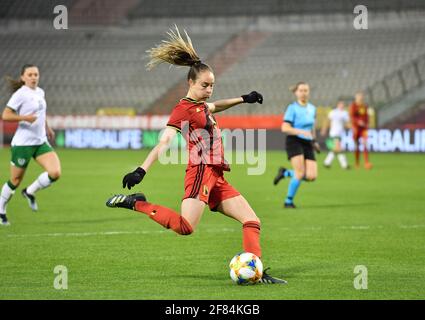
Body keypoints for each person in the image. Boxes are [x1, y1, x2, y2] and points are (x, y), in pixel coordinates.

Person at [106, 27, 286, 284]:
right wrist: (142, 169)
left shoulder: (201, 105)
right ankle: (136, 203)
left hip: (216, 175)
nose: (209, 90)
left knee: (252, 220)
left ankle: (256, 270)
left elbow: (215, 105)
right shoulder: (182, 110)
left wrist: (244, 98)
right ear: (190, 83)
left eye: (212, 85)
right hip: (201, 171)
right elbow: (165, 140)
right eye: (204, 85)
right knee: (185, 227)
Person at [0, 64, 61, 226]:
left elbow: (41, 113)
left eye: (36, 74)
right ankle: (1, 211)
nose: (34, 77)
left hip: (40, 141)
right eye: (30, 74)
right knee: (15, 180)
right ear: (23, 77)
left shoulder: (40, 92)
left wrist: (47, 127)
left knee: (55, 172)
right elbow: (5, 115)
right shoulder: (20, 94)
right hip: (23, 144)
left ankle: (29, 191)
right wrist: (25, 118)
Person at [273, 82, 319, 208]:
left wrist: (314, 141)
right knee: (299, 172)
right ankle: (288, 201)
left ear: (309, 92)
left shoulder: (312, 108)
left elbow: (312, 127)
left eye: (306, 90)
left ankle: (285, 173)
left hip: (307, 142)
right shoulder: (292, 108)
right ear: (296, 93)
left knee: (312, 176)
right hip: (294, 140)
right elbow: (285, 127)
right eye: (301, 90)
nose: (304, 93)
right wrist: (301, 131)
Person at [321, 100, 350, 169]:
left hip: (340, 133)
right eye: (341, 104)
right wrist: (324, 129)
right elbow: (327, 121)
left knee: (335, 149)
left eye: (343, 104)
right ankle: (344, 165)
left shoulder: (345, 113)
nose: (342, 105)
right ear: (338, 105)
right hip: (334, 133)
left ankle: (327, 163)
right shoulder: (333, 112)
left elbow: (348, 123)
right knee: (339, 148)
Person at [349, 92, 372, 169]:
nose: (360, 98)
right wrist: (358, 122)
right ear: (356, 98)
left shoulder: (364, 106)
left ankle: (366, 162)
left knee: (365, 143)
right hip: (356, 128)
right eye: (359, 97)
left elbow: (366, 116)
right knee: (357, 146)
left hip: (363, 129)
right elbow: (352, 117)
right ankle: (357, 162)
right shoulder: (353, 106)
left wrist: (367, 123)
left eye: (361, 97)